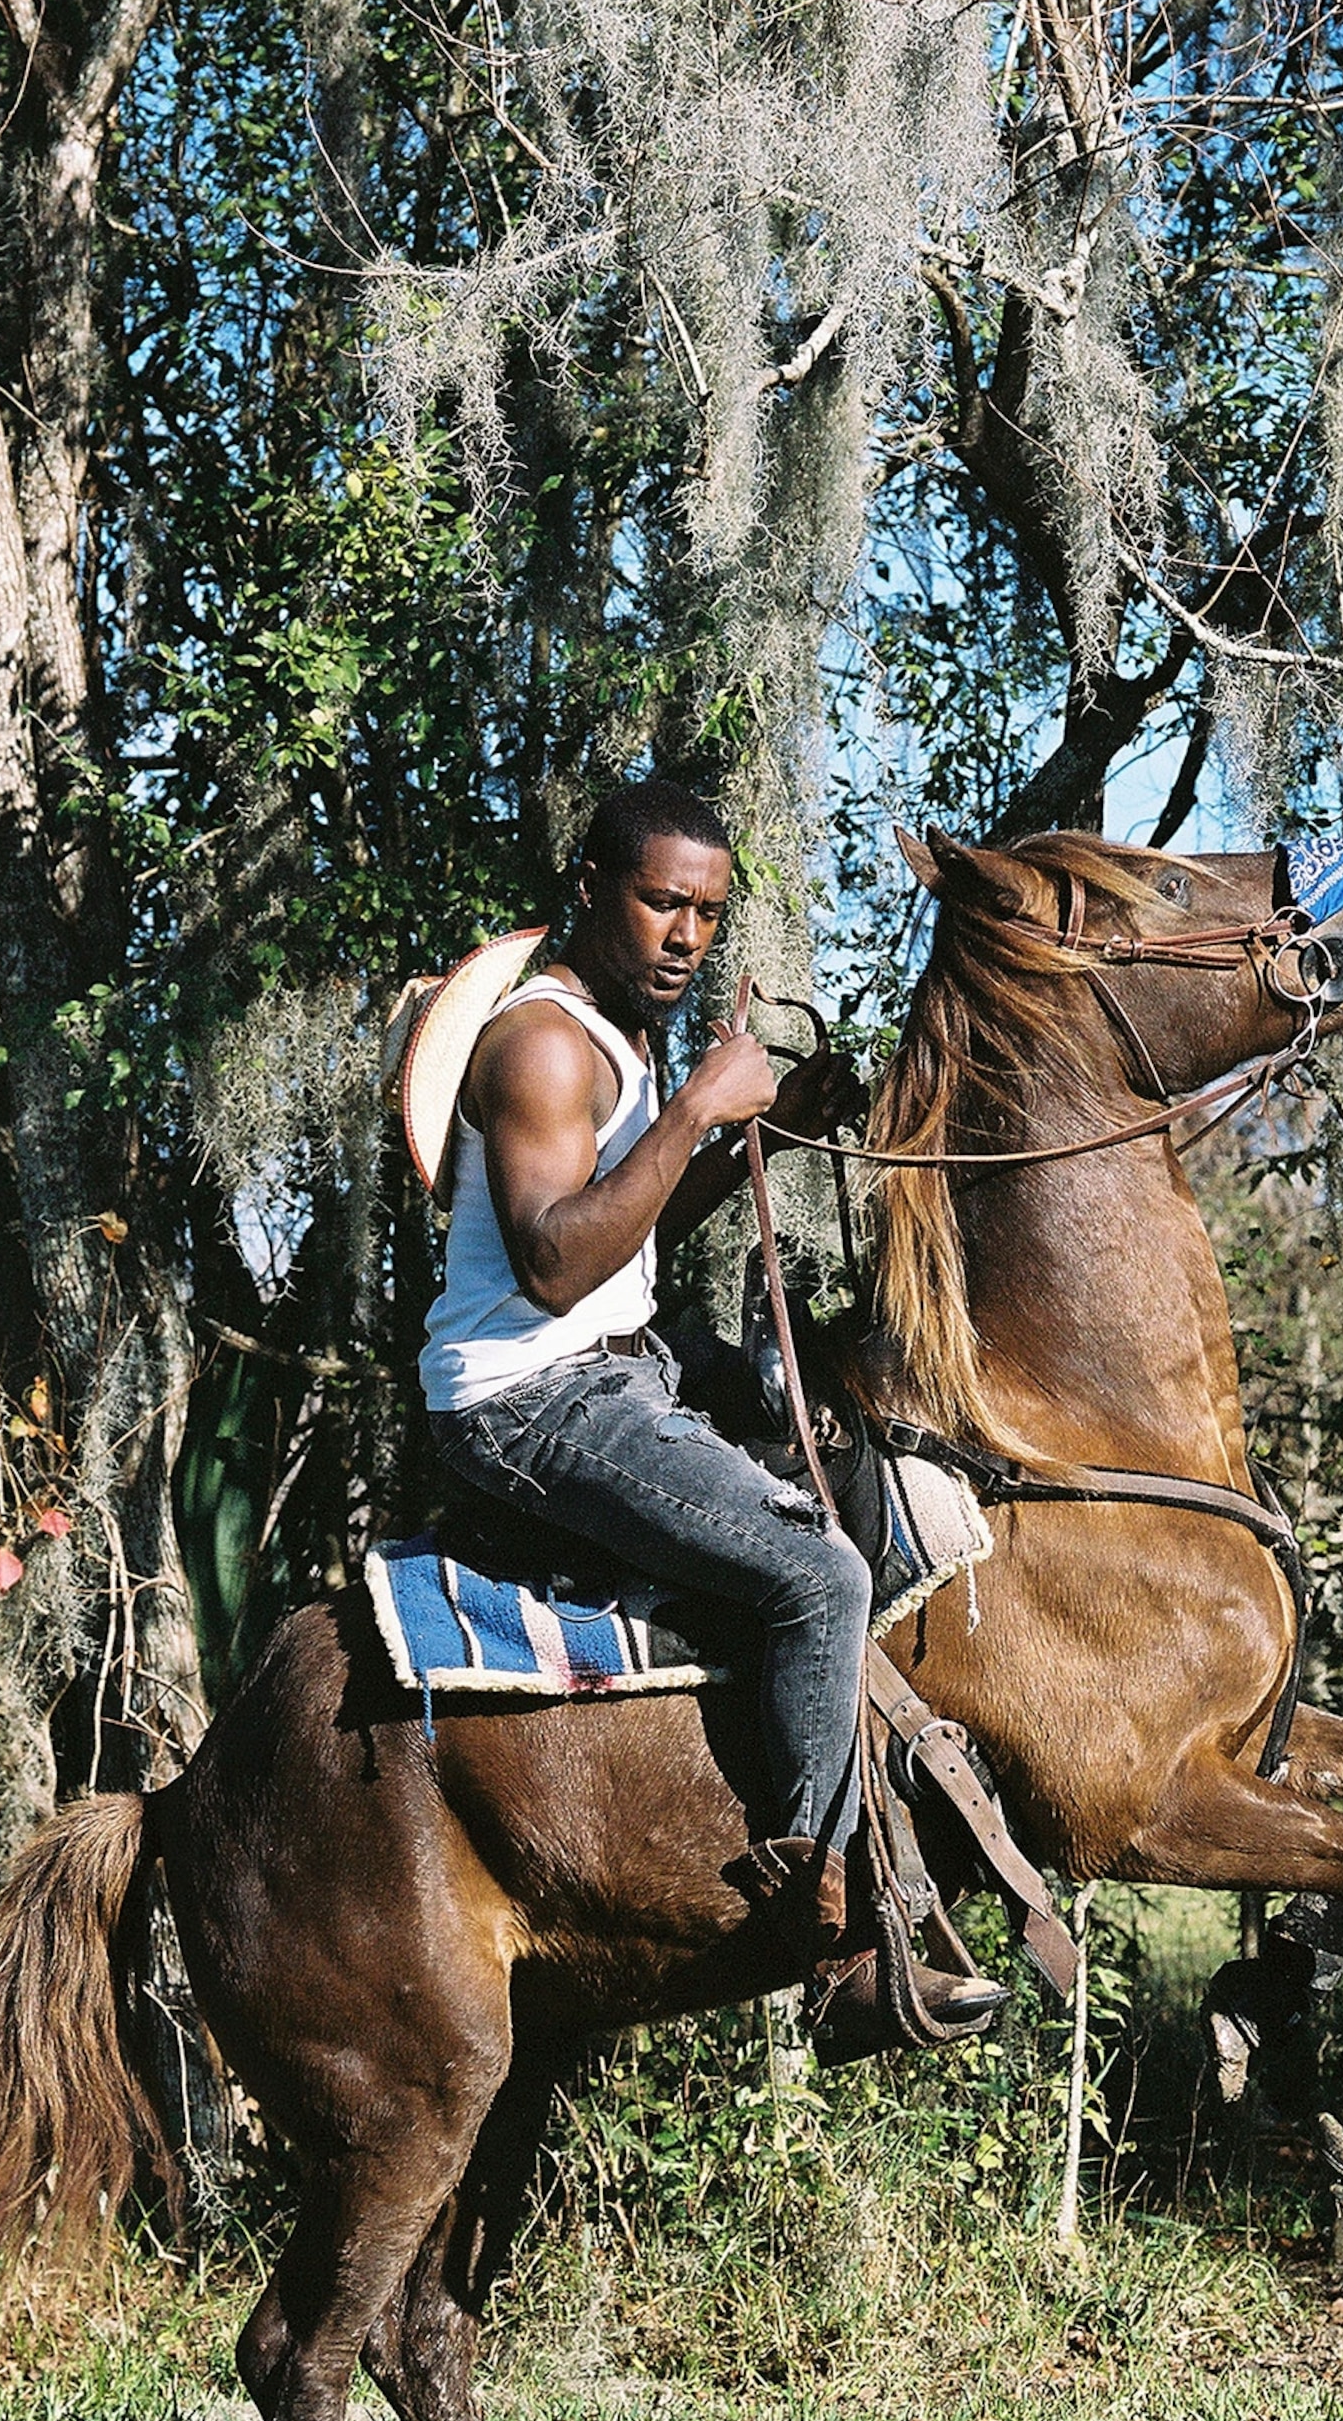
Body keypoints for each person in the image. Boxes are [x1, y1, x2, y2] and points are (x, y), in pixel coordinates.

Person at [418, 776, 1002, 2044]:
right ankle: (831, 1938)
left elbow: (634, 1228)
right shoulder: (545, 1045)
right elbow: (557, 1265)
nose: (687, 935)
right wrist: (696, 1109)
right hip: (526, 1402)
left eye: (706, 912)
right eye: (660, 903)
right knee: (819, 1580)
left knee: (861, 1435)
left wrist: (764, 1139)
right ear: (589, 891)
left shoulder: (622, 1039)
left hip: (621, 1362)